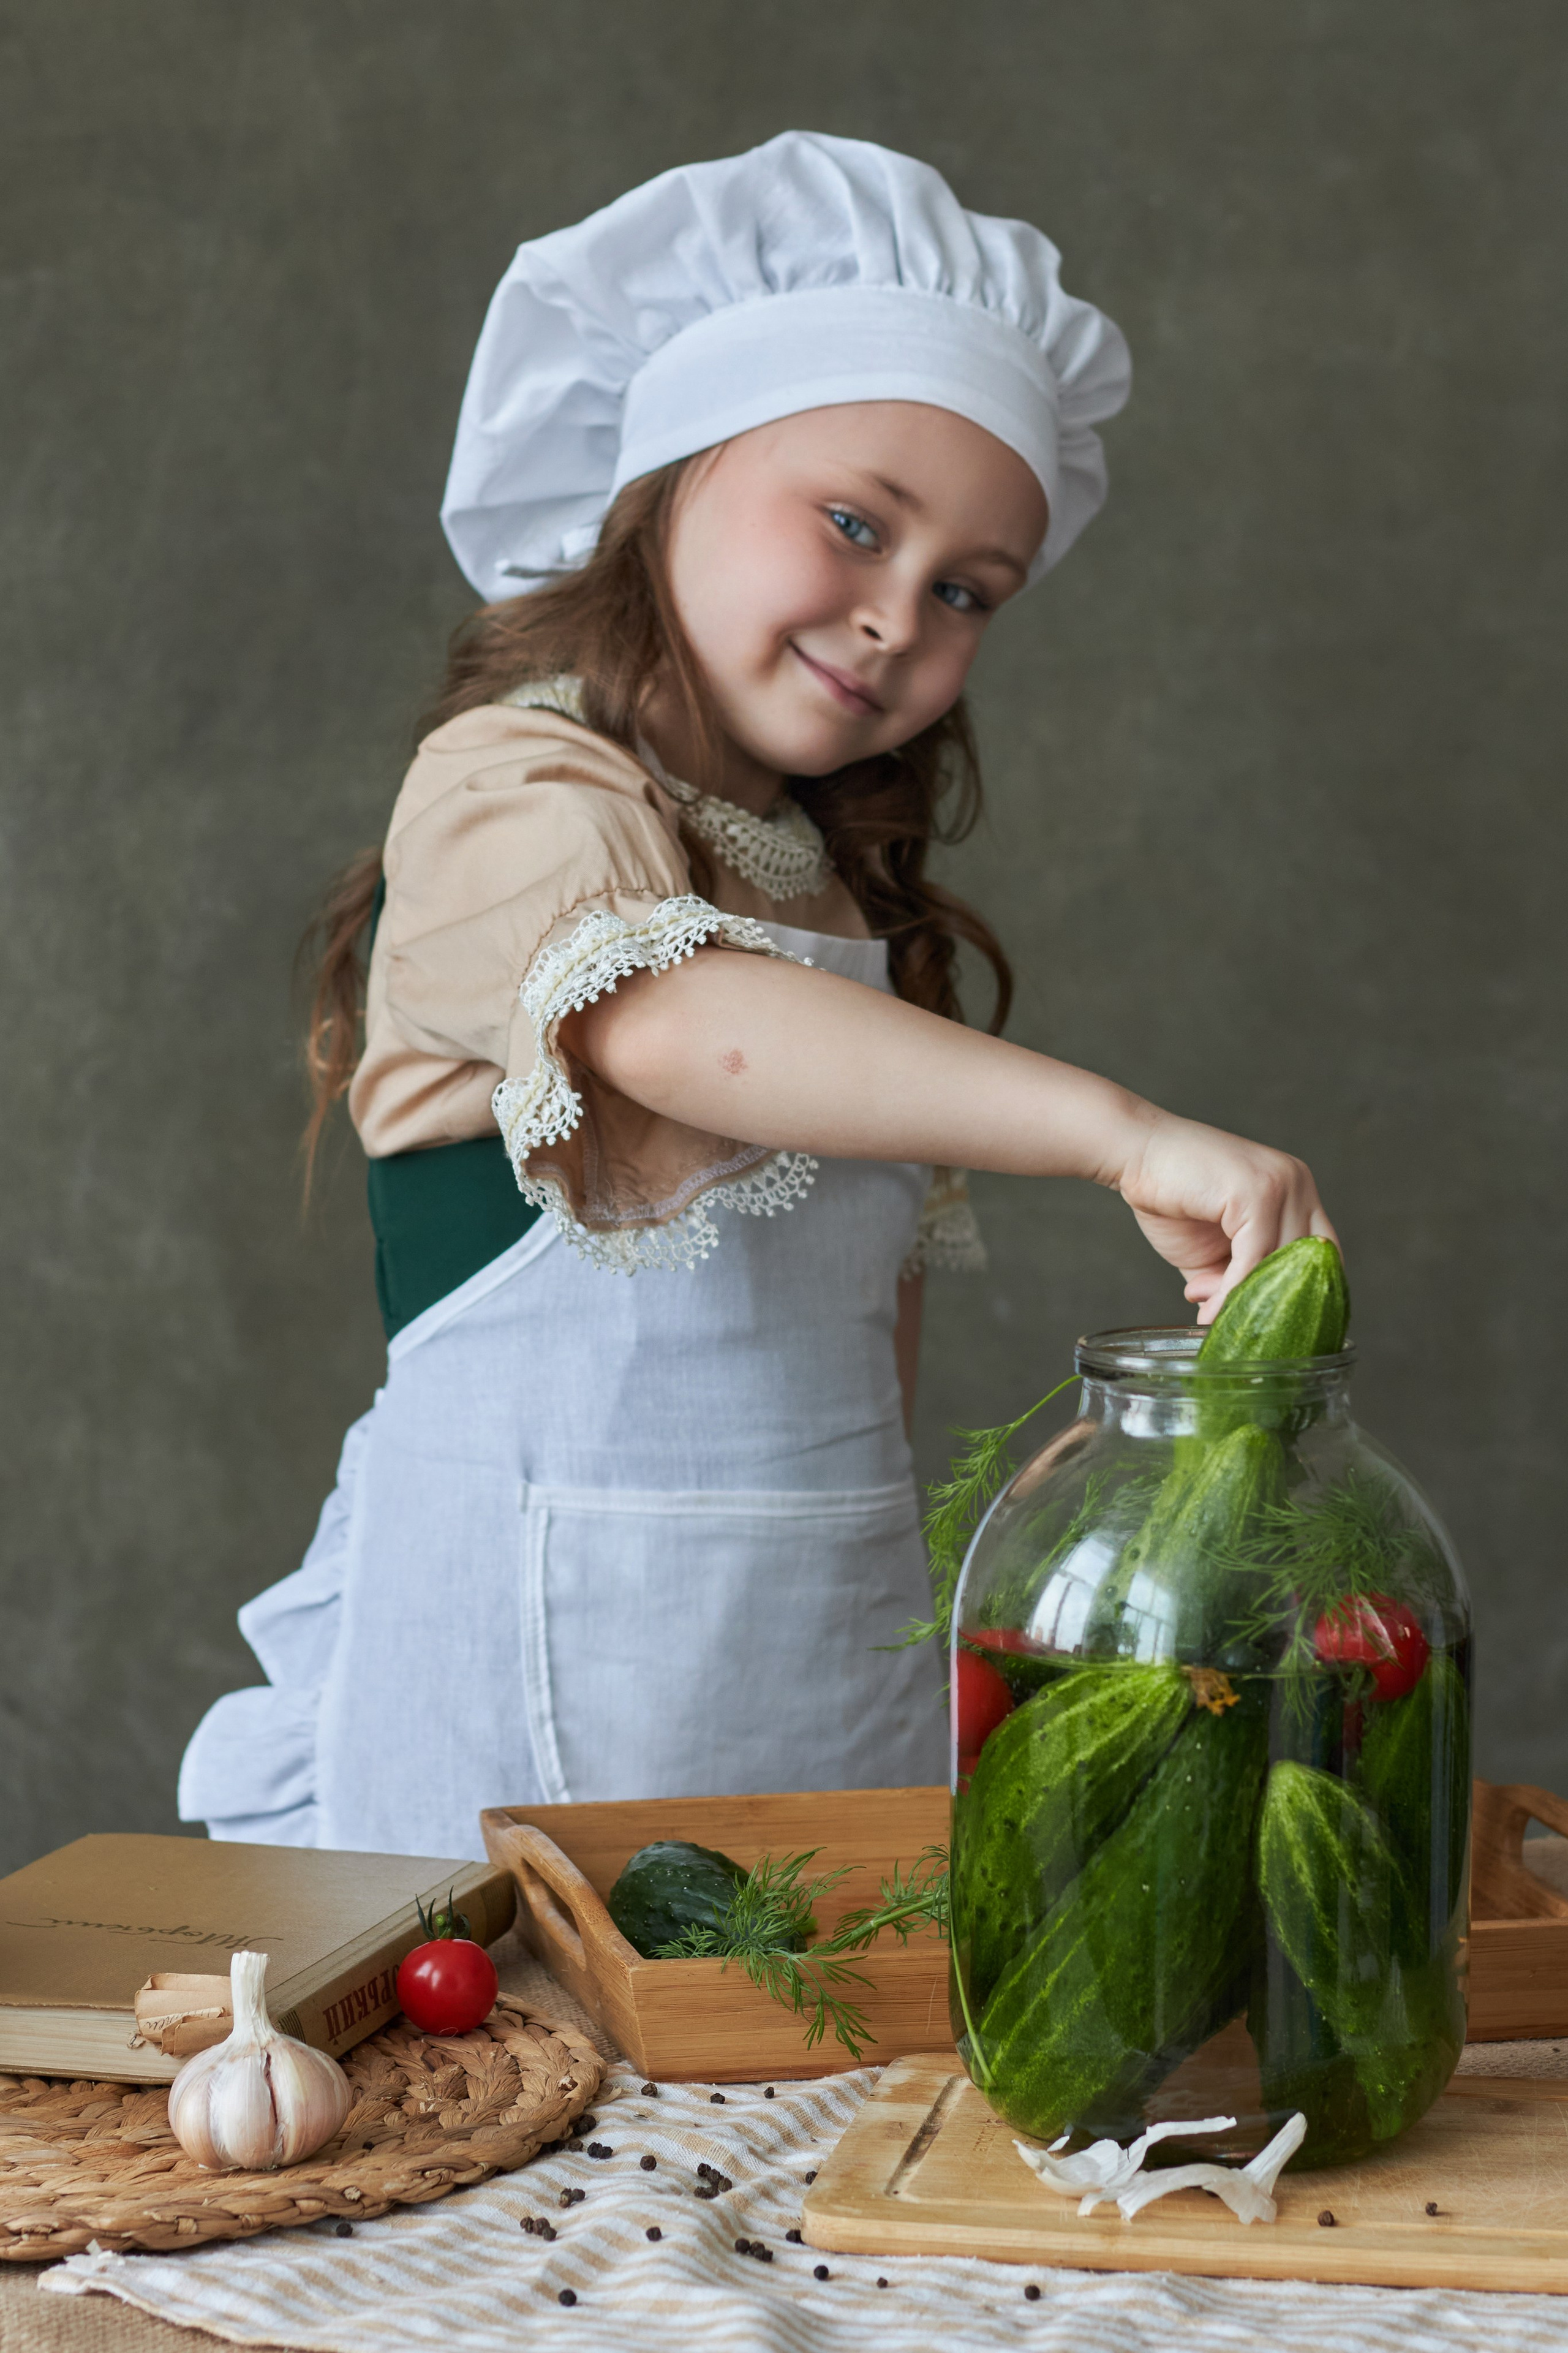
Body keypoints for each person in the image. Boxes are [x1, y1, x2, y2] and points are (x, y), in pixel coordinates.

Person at [179, 133, 1336, 1861]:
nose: (896, 617)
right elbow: (683, 1027)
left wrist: (910, 1573)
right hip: (527, 1655)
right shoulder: (516, 791)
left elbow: (865, 1332)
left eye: (965, 594)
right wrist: (1119, 1131)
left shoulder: (833, 881)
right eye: (856, 524)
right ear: (662, 476)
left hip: (813, 1664)